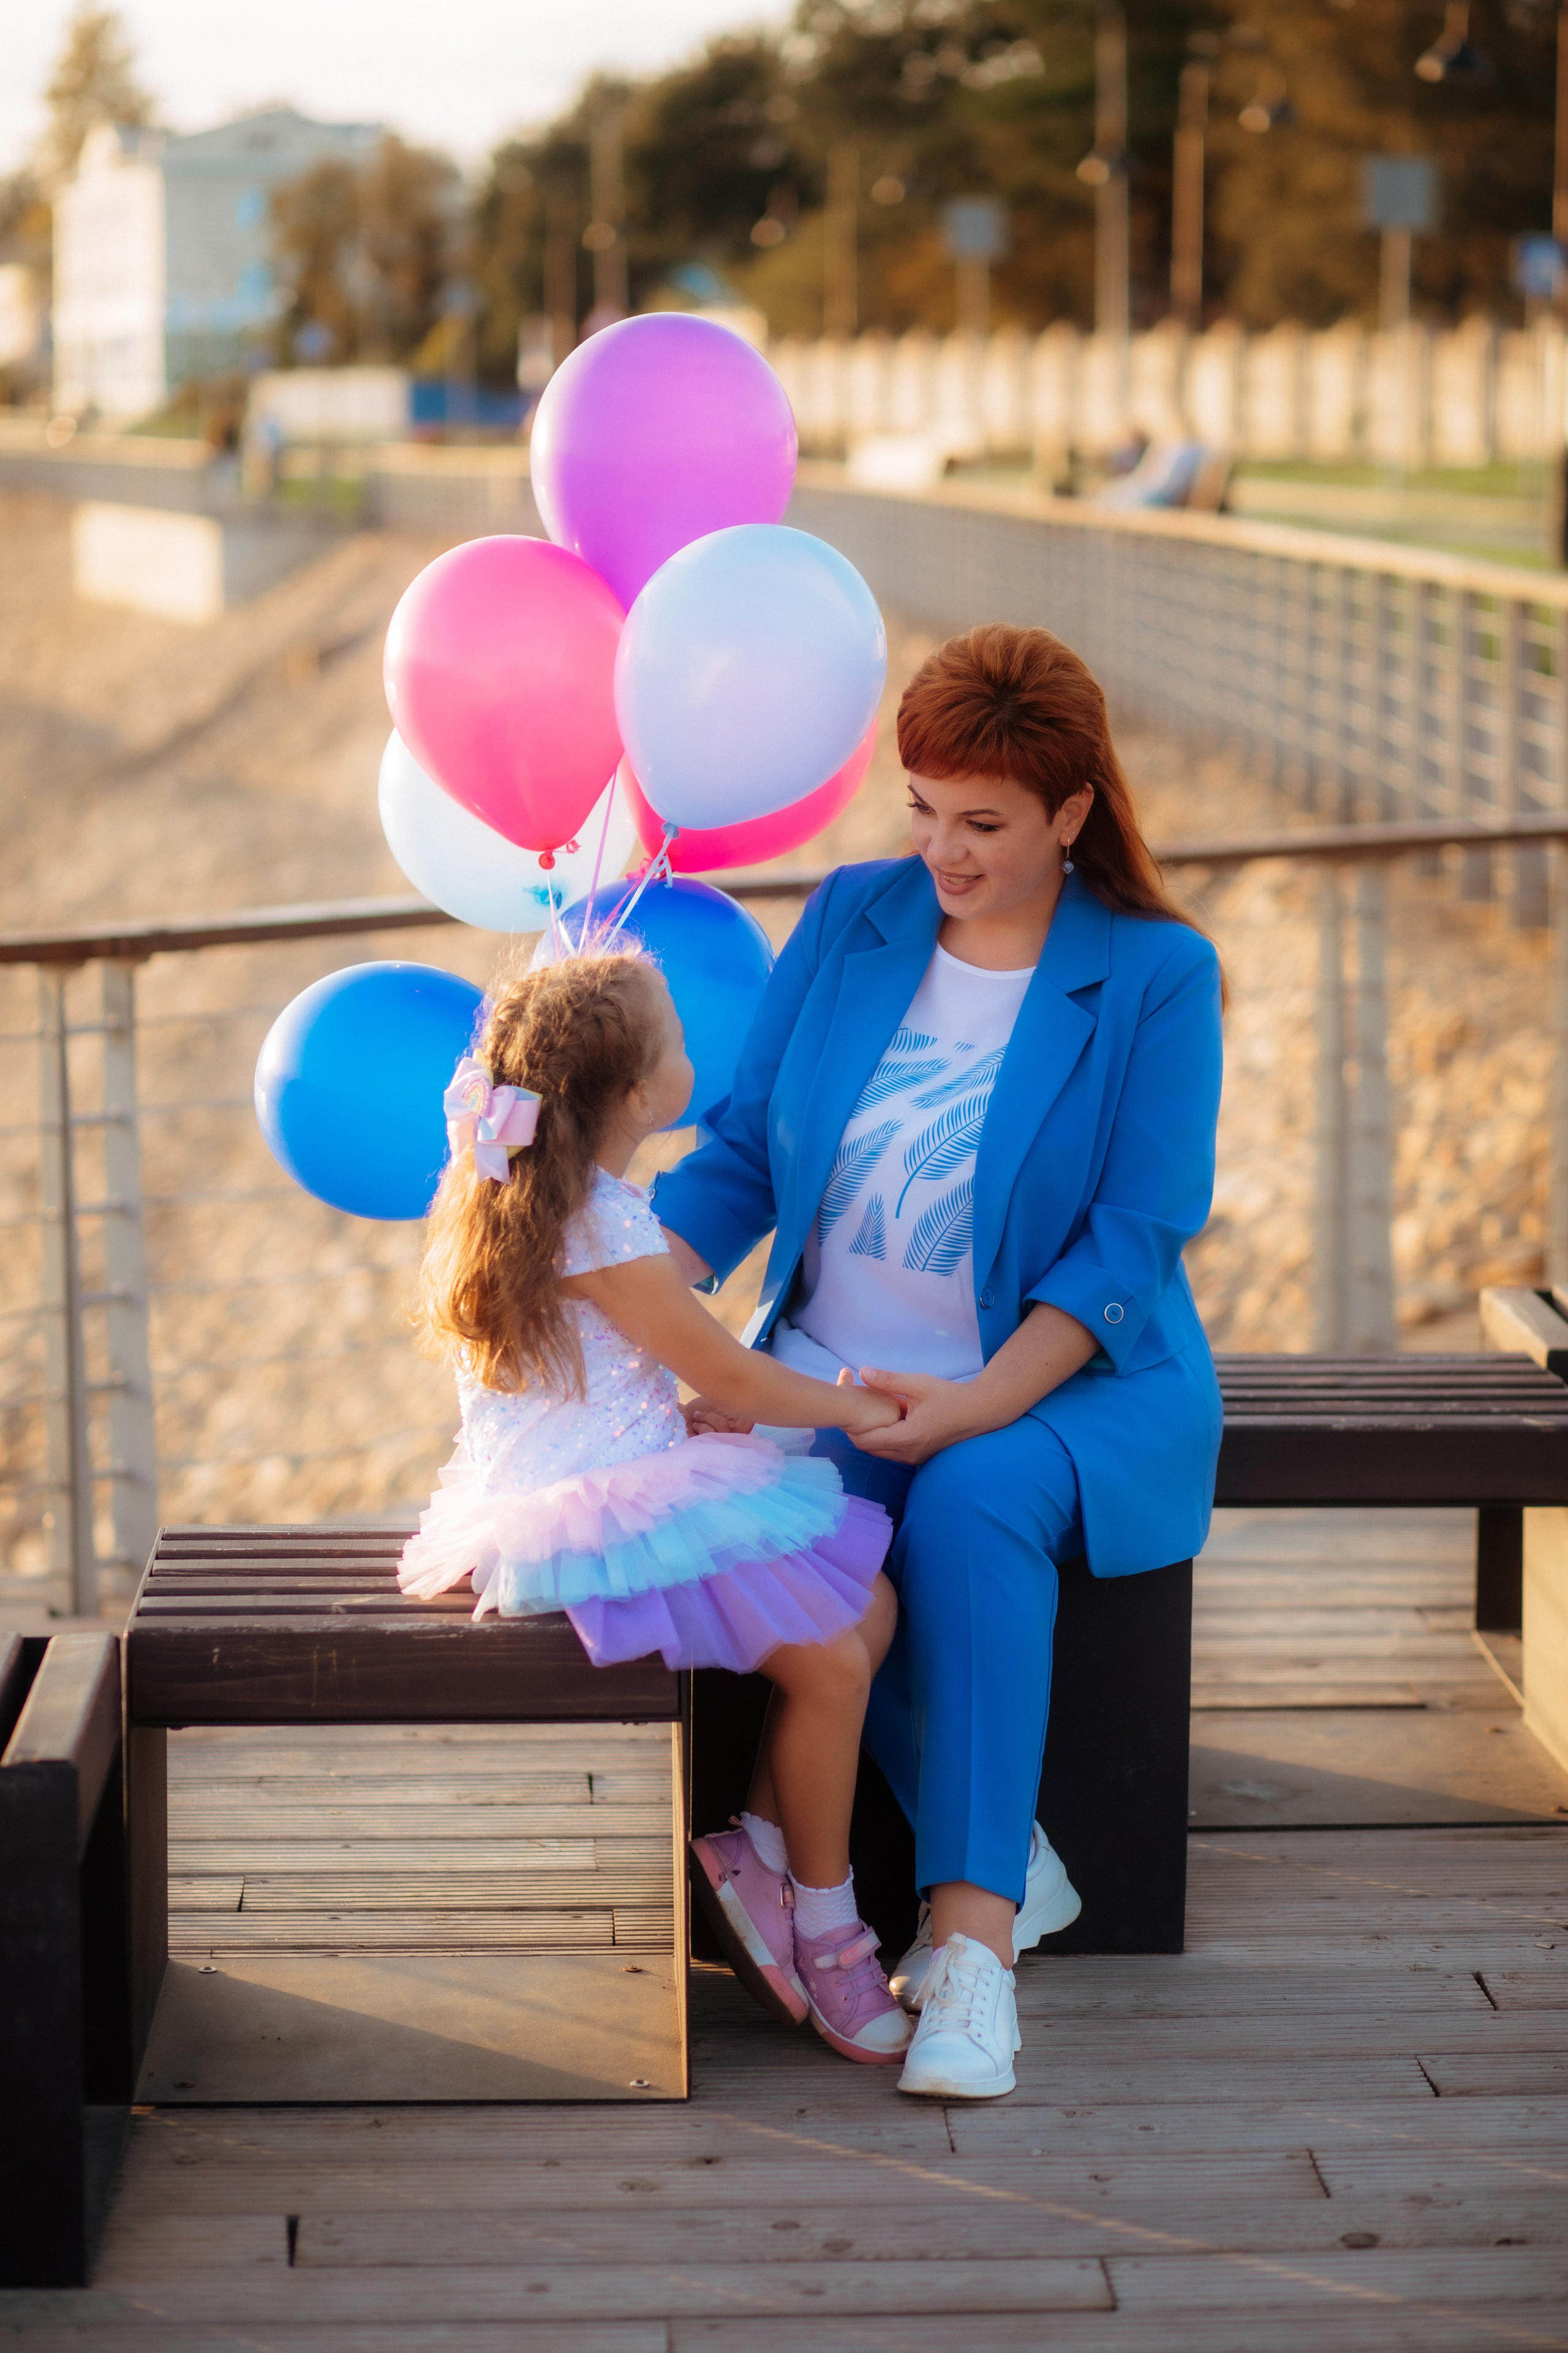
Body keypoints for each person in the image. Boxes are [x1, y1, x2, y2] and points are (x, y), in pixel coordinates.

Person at [657, 624, 1225, 2101]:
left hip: (1065, 1386)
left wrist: (974, 1401)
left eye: (980, 823)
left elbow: (1131, 1242)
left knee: (969, 1497)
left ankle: (970, 1952)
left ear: (1071, 814)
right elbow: (738, 1152)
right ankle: (939, 1855)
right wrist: (644, 1291)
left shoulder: (1156, 975)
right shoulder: (852, 917)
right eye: (921, 808)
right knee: (753, 1498)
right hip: (839, 1369)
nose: (941, 851)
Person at [398, 948, 916, 2065]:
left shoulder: (533, 1188)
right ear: (637, 1096)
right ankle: (829, 1926)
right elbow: (732, 1374)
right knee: (831, 1657)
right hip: (583, 1521)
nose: (694, 1055)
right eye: (677, 1044)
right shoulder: (606, 1223)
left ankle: (760, 1851)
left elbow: (578, 1374)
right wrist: (855, 1411)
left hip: (596, 1469)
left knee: (866, 1610)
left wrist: (663, 1421)